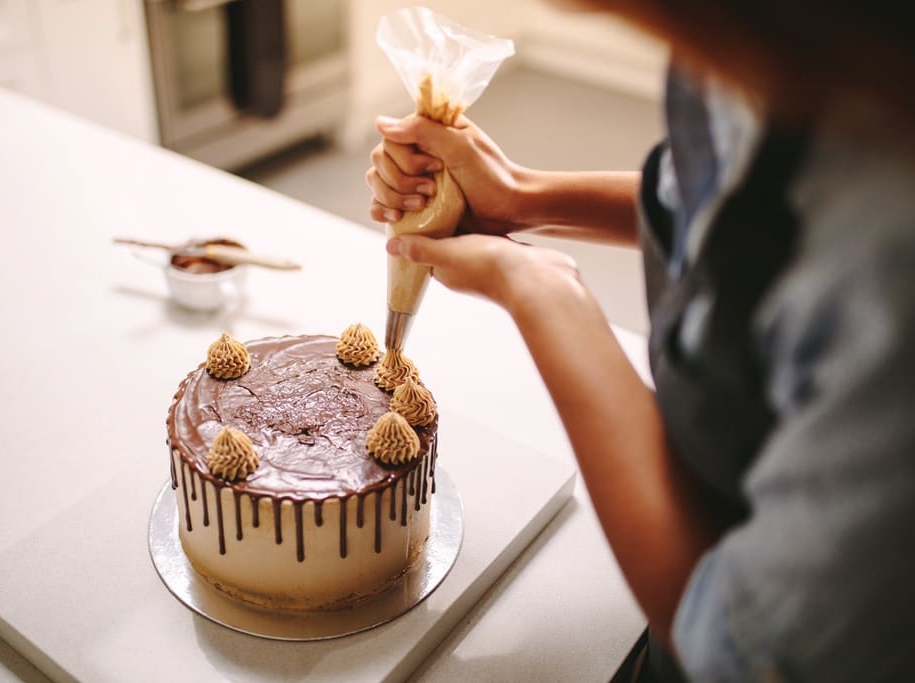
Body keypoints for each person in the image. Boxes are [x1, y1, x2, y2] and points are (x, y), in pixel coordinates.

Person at [365, 2, 915, 681]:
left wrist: (546, 296)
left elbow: (737, 644)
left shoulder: (894, 255)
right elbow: (705, 210)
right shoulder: (748, 50)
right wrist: (520, 194)